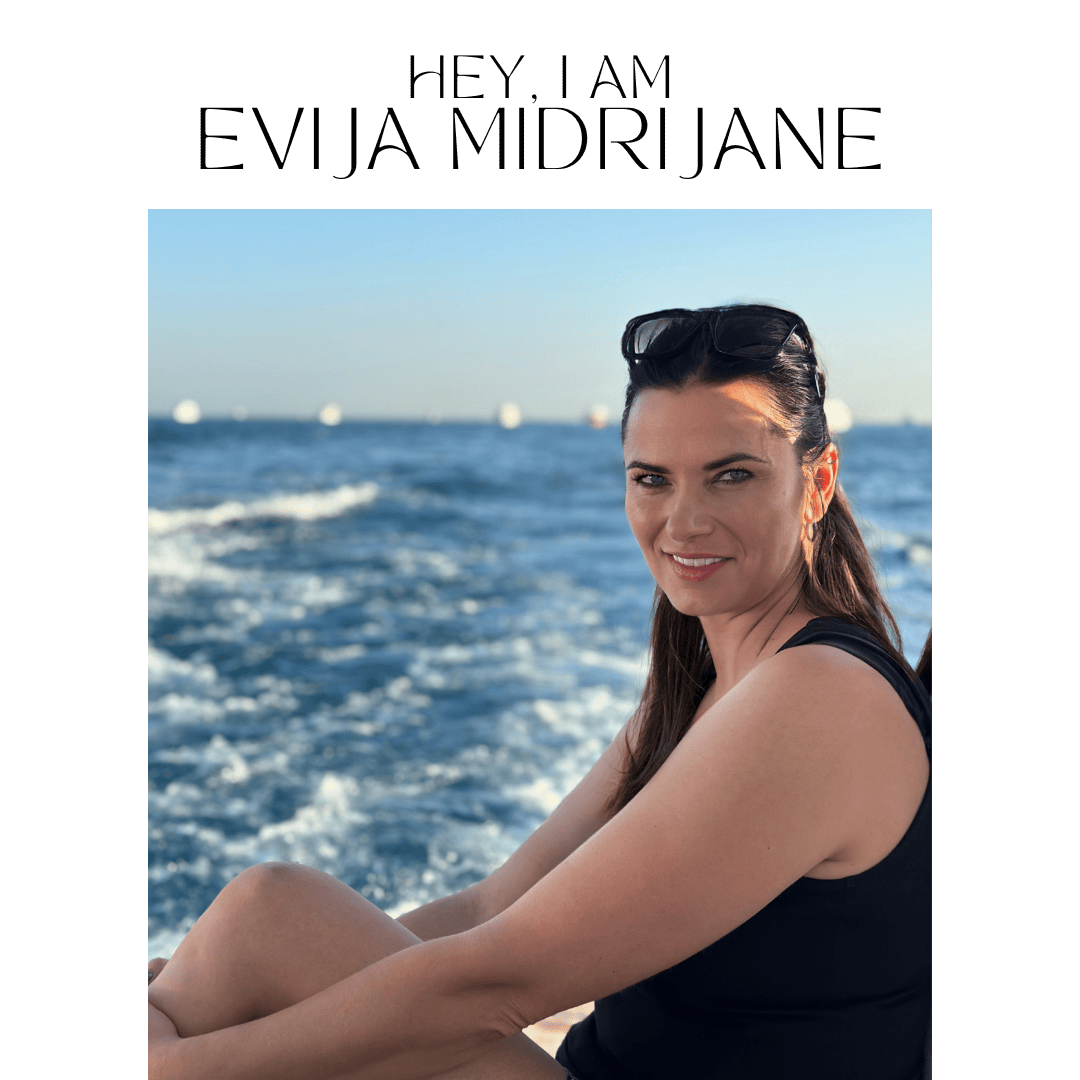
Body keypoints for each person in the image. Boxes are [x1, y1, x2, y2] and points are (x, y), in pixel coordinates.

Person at [148, 303, 931, 1080]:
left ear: (817, 482)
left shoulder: (822, 697)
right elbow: (491, 908)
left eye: (732, 476)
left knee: (258, 930)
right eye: (651, 479)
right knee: (266, 921)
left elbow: (496, 986)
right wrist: (236, 991)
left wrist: (177, 1064)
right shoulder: (705, 686)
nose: (684, 520)